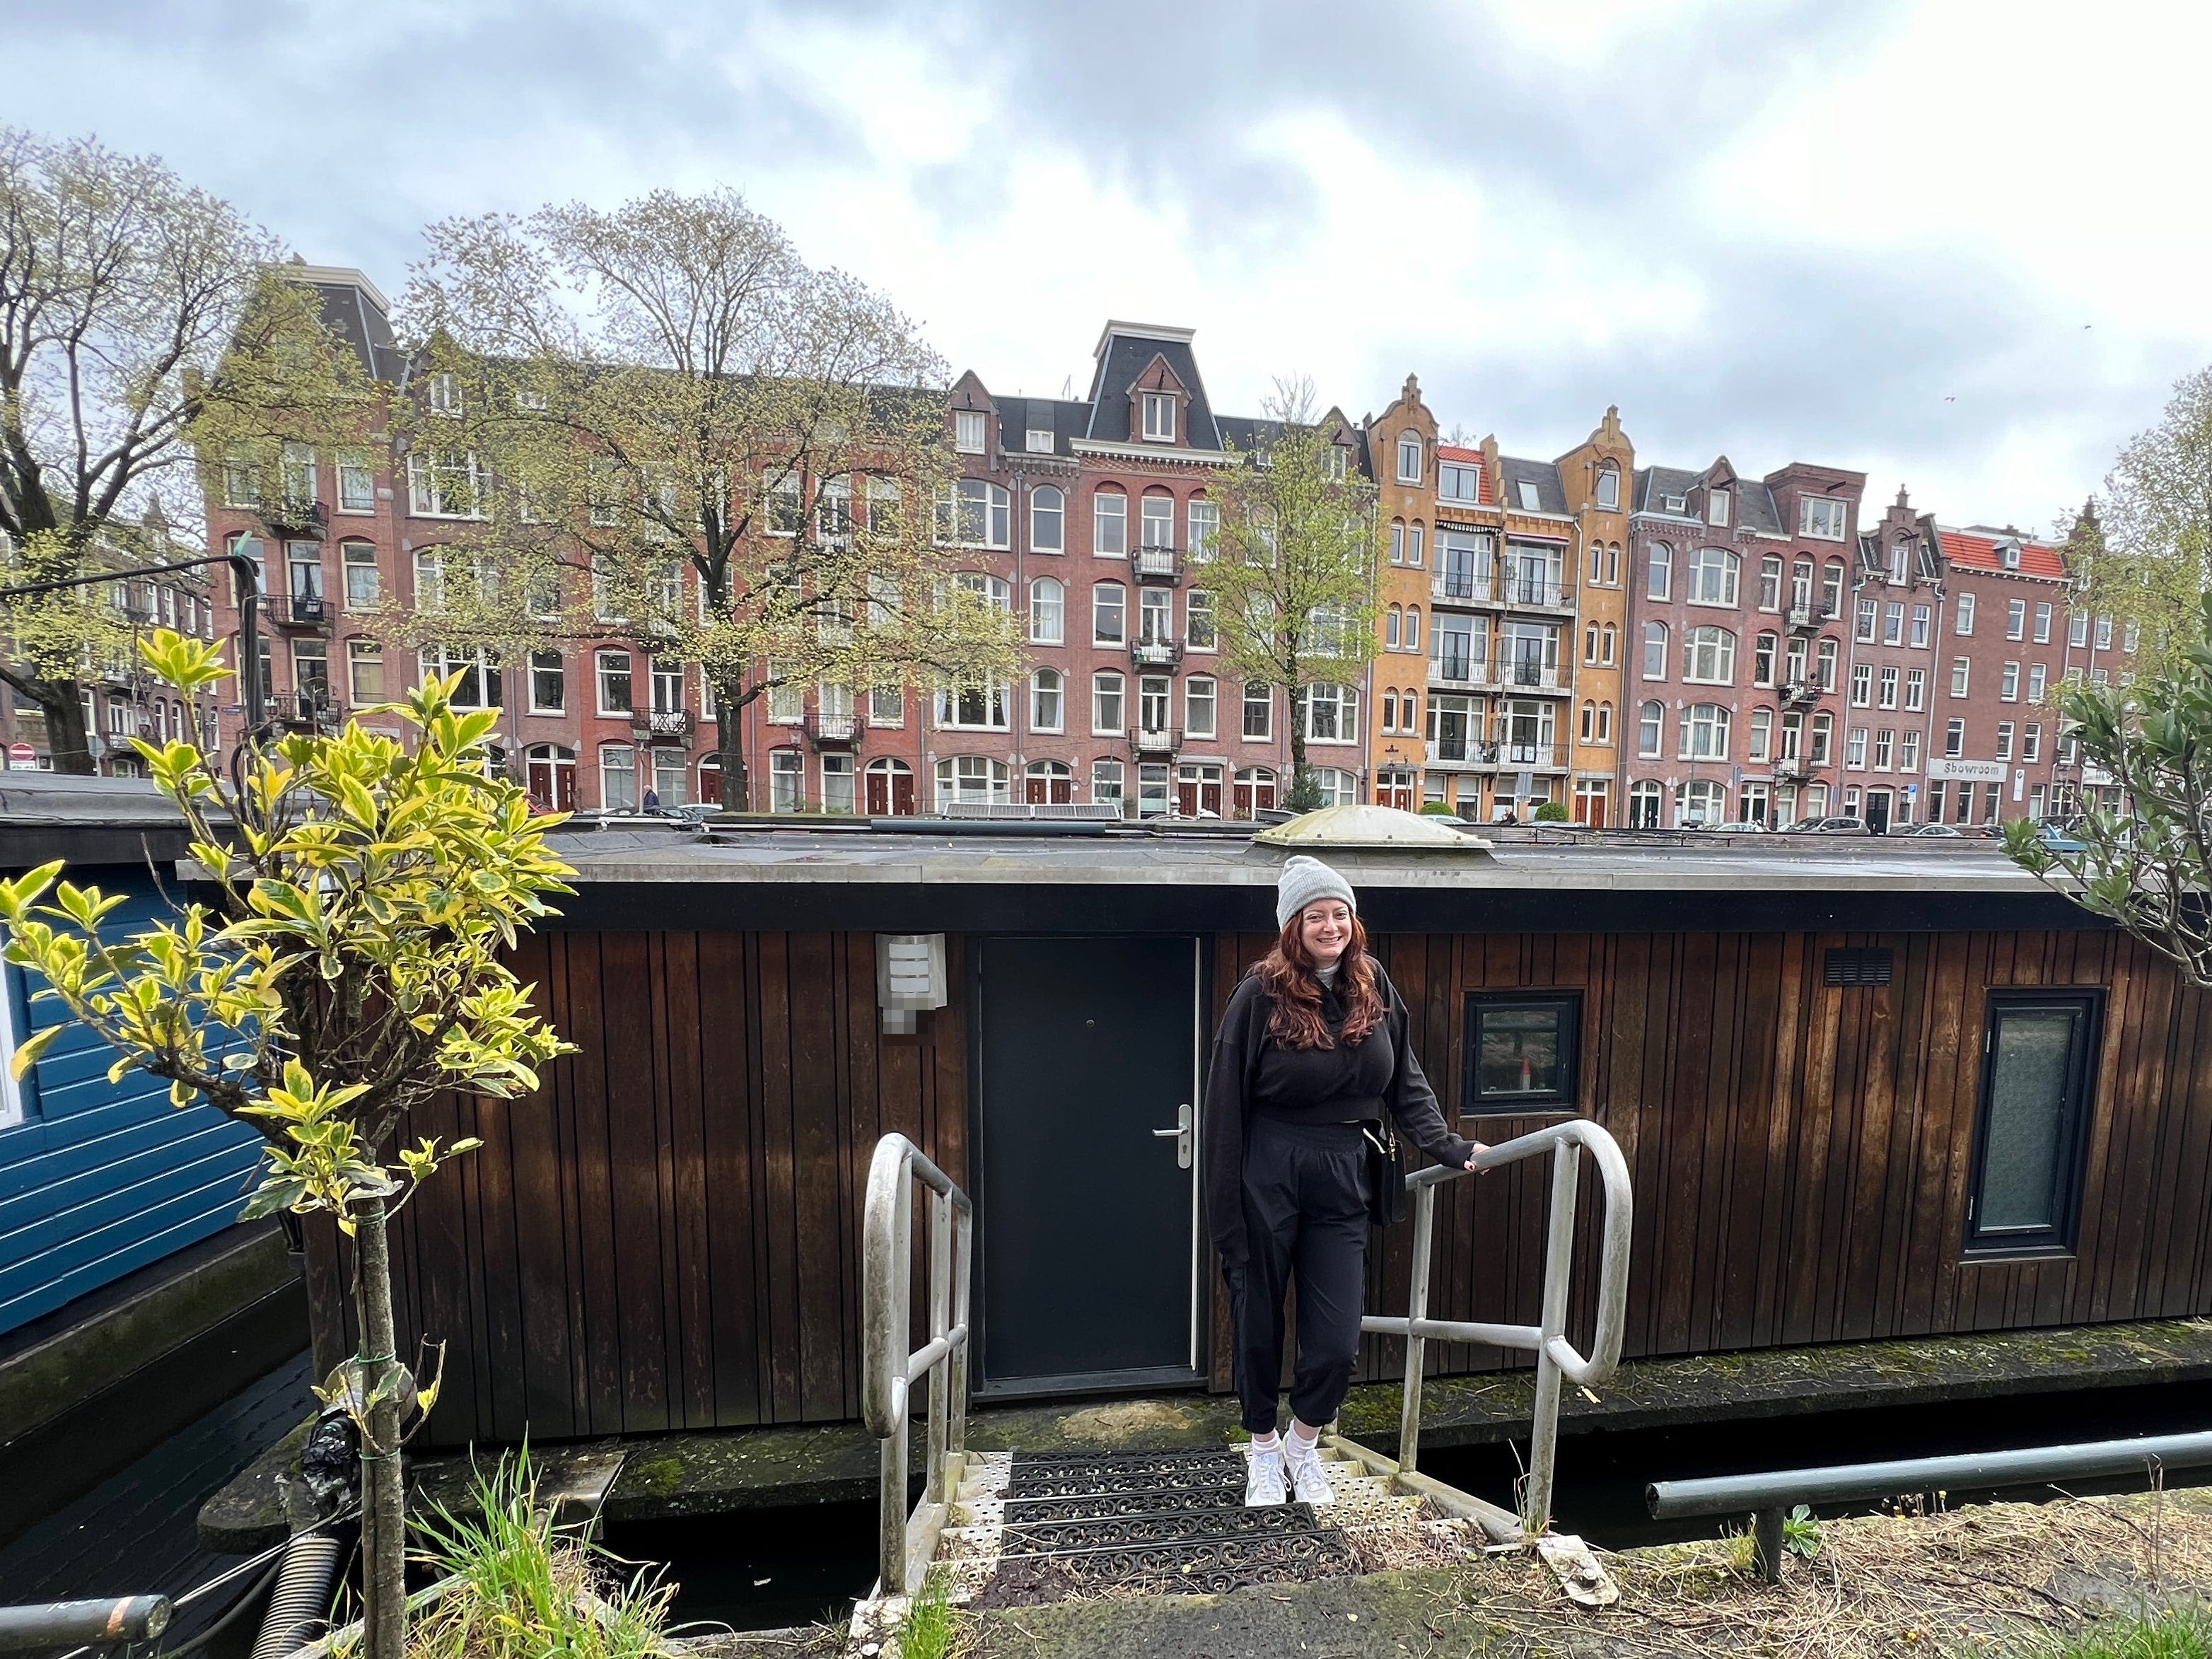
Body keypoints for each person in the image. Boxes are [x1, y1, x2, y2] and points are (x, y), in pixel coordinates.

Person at [1204, 854, 1486, 1508]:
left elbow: (1403, 1078)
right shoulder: (1258, 994)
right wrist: (1227, 1216)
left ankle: (1304, 1446)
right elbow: (1222, 1109)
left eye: (1339, 913)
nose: (1329, 926)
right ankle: (1263, 1453)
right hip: (1268, 1167)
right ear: (1291, 926)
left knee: (1335, 1338)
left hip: (1344, 1172)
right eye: (1315, 916)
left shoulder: (1373, 983)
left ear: (1353, 921)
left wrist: (1445, 1143)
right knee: (1257, 1320)